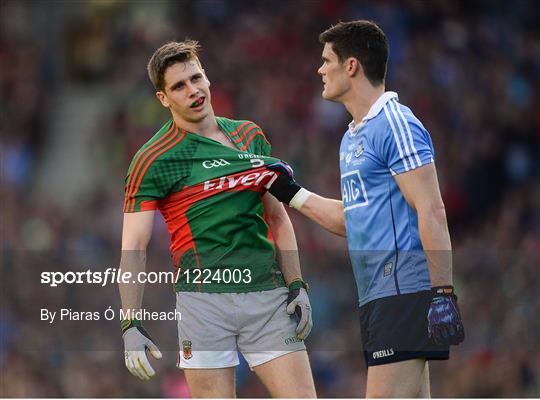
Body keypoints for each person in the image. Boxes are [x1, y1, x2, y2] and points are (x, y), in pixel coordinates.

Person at [267, 20, 464, 397]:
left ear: (352, 65)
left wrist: (442, 294)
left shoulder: (396, 122)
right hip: (377, 296)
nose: (320, 69)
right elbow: (351, 219)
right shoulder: (352, 137)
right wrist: (289, 191)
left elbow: (431, 209)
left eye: (327, 60)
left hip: (404, 292)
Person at [118, 40, 316, 398]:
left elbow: (278, 218)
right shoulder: (152, 160)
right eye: (179, 86)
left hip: (267, 297)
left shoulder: (250, 135)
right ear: (163, 98)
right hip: (202, 303)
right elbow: (134, 246)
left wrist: (297, 284)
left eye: (196, 78)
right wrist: (130, 322)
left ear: (208, 79)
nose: (192, 90)